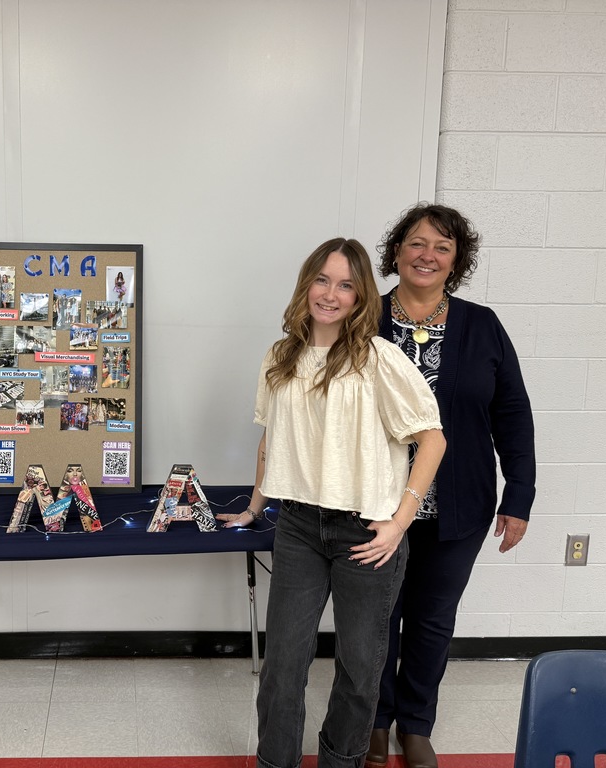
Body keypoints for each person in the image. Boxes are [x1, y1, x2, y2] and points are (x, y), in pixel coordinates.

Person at [217, 238, 446, 768]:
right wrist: (254, 507)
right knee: (282, 665)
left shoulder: (379, 360)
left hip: (366, 534)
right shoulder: (280, 358)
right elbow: (272, 440)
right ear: (306, 285)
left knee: (360, 670)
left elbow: (432, 439)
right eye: (322, 280)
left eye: (345, 285)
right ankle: (276, 762)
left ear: (360, 296)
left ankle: (341, 762)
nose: (330, 294)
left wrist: (399, 522)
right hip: (298, 526)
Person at [361, 203, 536, 768]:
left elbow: (513, 413)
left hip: (458, 507)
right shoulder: (362, 319)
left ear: (457, 261)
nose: (427, 256)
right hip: (374, 505)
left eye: (442, 247)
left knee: (432, 621)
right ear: (396, 252)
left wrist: (519, 496)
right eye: (417, 243)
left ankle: (416, 724)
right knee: (376, 621)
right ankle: (373, 721)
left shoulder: (481, 325)